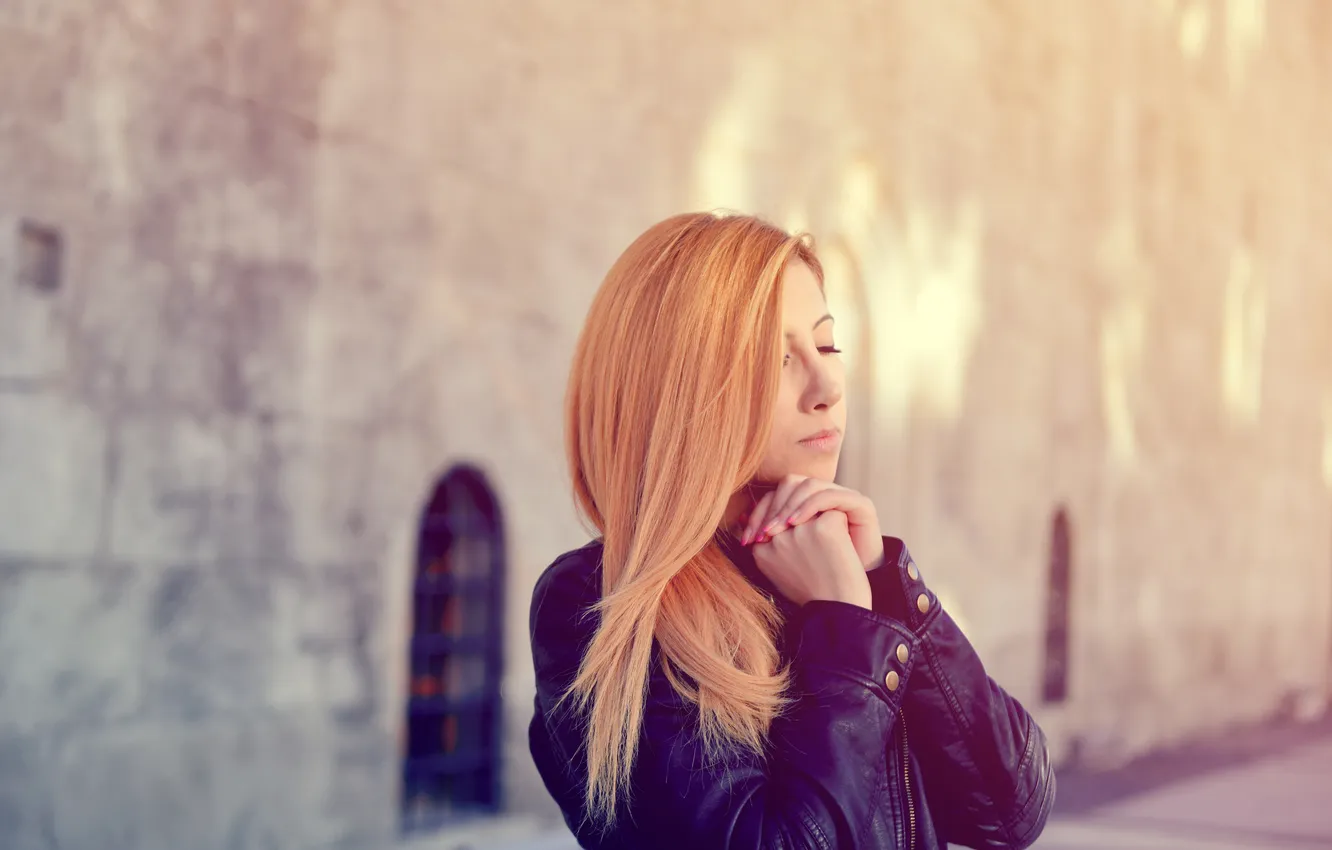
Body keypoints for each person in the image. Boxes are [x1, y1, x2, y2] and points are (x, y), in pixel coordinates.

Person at [528, 211, 1055, 849]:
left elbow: (1010, 811)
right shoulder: (598, 606)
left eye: (828, 346)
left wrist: (884, 585)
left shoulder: (842, 575)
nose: (828, 385)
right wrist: (843, 628)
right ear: (681, 390)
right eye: (776, 360)